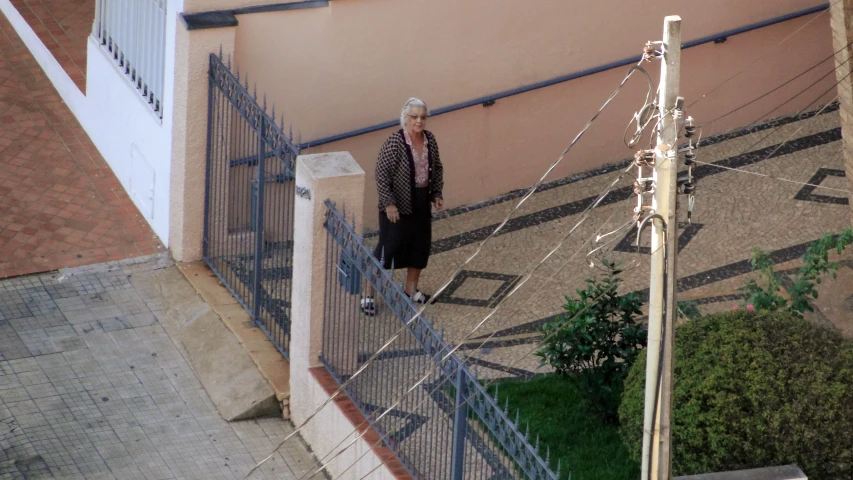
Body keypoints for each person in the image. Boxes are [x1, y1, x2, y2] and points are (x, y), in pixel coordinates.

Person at [362, 98, 444, 315]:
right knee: (387, 248)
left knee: (420, 246)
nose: (419, 121)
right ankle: (368, 295)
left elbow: (437, 167)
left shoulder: (430, 140)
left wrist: (436, 193)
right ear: (405, 118)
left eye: (423, 117)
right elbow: (381, 173)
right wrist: (389, 203)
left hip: (420, 201)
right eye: (414, 117)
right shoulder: (395, 142)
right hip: (397, 204)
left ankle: (411, 290)